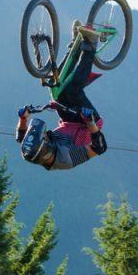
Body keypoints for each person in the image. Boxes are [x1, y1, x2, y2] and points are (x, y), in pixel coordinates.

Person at [16, 22, 108, 170]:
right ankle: (90, 44)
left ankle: (75, 46)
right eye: (45, 139)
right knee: (72, 90)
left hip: (68, 120)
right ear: (46, 151)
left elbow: (20, 137)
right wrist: (90, 123)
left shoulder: (30, 149)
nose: (45, 137)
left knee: (54, 86)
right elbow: (100, 148)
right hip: (88, 124)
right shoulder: (65, 159)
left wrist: (23, 118)